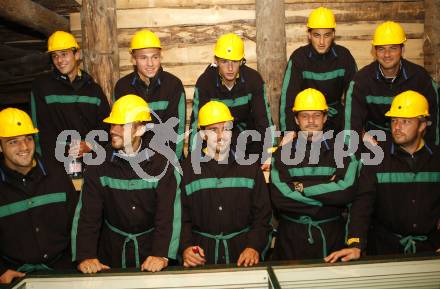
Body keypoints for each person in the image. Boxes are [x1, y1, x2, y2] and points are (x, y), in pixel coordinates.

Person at [326, 91, 440, 263]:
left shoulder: (437, 159)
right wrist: (355, 243)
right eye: (394, 120)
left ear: (422, 125)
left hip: (430, 250)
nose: (397, 127)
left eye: (406, 122)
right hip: (384, 250)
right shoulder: (377, 156)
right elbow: (362, 203)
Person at [72, 94, 181, 273]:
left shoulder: (162, 164)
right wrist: (85, 255)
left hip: (151, 253)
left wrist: (161, 254)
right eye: (112, 124)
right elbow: (87, 214)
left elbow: (169, 214)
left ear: (140, 130)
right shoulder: (97, 165)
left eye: (121, 125)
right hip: (110, 254)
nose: (113, 130)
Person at [270, 88, 361, 260]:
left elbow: (346, 191)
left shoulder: (343, 151)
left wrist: (300, 187)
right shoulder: (281, 154)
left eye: (317, 115)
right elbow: (279, 198)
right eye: (305, 116)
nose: (311, 121)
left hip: (332, 238)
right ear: (296, 119)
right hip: (290, 239)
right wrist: (327, 193)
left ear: (325, 118)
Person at [181, 101, 272, 267]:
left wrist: (254, 246)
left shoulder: (250, 167)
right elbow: (182, 217)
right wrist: (186, 248)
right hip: (201, 254)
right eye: (214, 130)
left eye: (226, 129)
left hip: (243, 253)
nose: (221, 136)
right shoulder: (187, 170)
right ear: (202, 134)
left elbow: (262, 216)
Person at [0, 108, 77, 284]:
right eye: (13, 142)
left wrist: (78, 260)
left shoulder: (57, 175)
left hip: (64, 273)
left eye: (28, 138)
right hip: (15, 278)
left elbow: (78, 222)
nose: (24, 147)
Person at [344, 21, 439, 146]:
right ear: (375, 51)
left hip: (410, 142)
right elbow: (351, 127)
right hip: (375, 143)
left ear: (402, 49)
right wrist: (361, 135)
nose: (387, 55)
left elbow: (435, 119)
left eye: (393, 48)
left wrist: (429, 152)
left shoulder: (420, 78)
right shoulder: (361, 81)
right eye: (381, 49)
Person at [30, 30, 110, 174]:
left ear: (77, 54)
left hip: (91, 166)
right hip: (54, 166)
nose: (59, 61)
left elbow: (106, 128)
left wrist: (90, 145)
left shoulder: (93, 90)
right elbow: (37, 130)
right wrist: (42, 164)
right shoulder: (41, 87)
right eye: (55, 56)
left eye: (64, 54)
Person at [189, 33, 275, 166]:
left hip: (248, 140)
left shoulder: (254, 80)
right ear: (216, 61)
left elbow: (263, 120)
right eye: (224, 61)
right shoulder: (205, 83)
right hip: (217, 142)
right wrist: (193, 159)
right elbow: (197, 125)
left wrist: (269, 154)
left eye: (234, 61)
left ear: (241, 61)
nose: (230, 68)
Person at [280, 7, 357, 136]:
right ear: (309, 35)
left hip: (337, 118)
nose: (322, 42)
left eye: (326, 35)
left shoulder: (344, 56)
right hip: (307, 120)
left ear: (333, 35)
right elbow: (287, 98)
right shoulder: (299, 58)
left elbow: (355, 97)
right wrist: (288, 132)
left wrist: (357, 129)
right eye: (317, 35)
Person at [114, 29, 186, 160]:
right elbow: (118, 128)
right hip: (134, 160)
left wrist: (171, 166)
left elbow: (178, 130)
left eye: (155, 57)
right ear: (134, 59)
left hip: (166, 160)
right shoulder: (122, 87)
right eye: (143, 58)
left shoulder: (173, 85)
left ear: (160, 57)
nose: (150, 64)